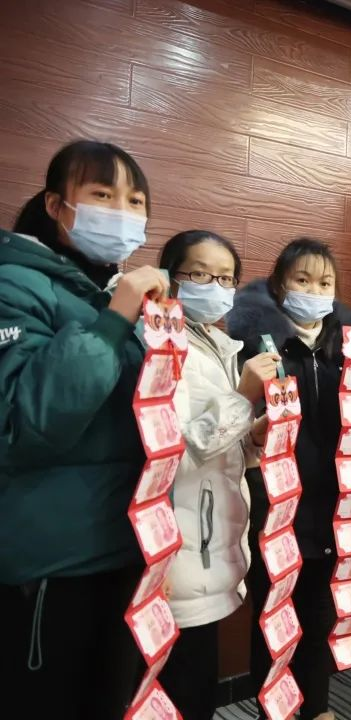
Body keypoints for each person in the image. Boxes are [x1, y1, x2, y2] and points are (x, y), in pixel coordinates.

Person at [0, 140, 167, 719]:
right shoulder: (15, 285)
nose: (122, 212)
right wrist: (115, 318)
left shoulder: (109, 291)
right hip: (53, 563)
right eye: (102, 194)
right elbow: (28, 423)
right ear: (55, 204)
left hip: (124, 547)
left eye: (135, 200)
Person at [227, 237, 351, 720]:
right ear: (279, 285)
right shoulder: (252, 346)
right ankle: (275, 713)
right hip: (275, 505)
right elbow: (233, 428)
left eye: (325, 283)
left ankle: (319, 709)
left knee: (320, 614)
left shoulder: (349, 347)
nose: (314, 291)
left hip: (332, 503)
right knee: (274, 618)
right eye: (302, 280)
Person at [155, 230, 280, 720]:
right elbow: (177, 450)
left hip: (208, 540)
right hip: (180, 543)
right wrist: (243, 395)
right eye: (201, 274)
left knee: (196, 681)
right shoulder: (164, 343)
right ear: (172, 277)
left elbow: (219, 448)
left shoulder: (215, 343)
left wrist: (254, 438)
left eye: (226, 278)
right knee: (181, 684)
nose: (216, 286)